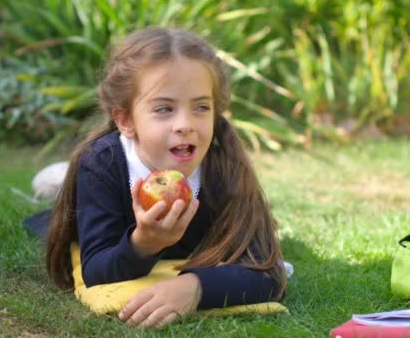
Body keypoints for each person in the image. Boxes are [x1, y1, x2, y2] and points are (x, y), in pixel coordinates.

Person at [46, 27, 287, 329]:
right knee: (54, 212)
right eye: (164, 109)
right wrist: (143, 244)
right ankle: (57, 182)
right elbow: (95, 271)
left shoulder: (223, 162)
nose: (185, 124)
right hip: (102, 195)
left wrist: (195, 288)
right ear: (125, 119)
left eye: (200, 107)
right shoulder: (103, 163)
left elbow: (269, 271)